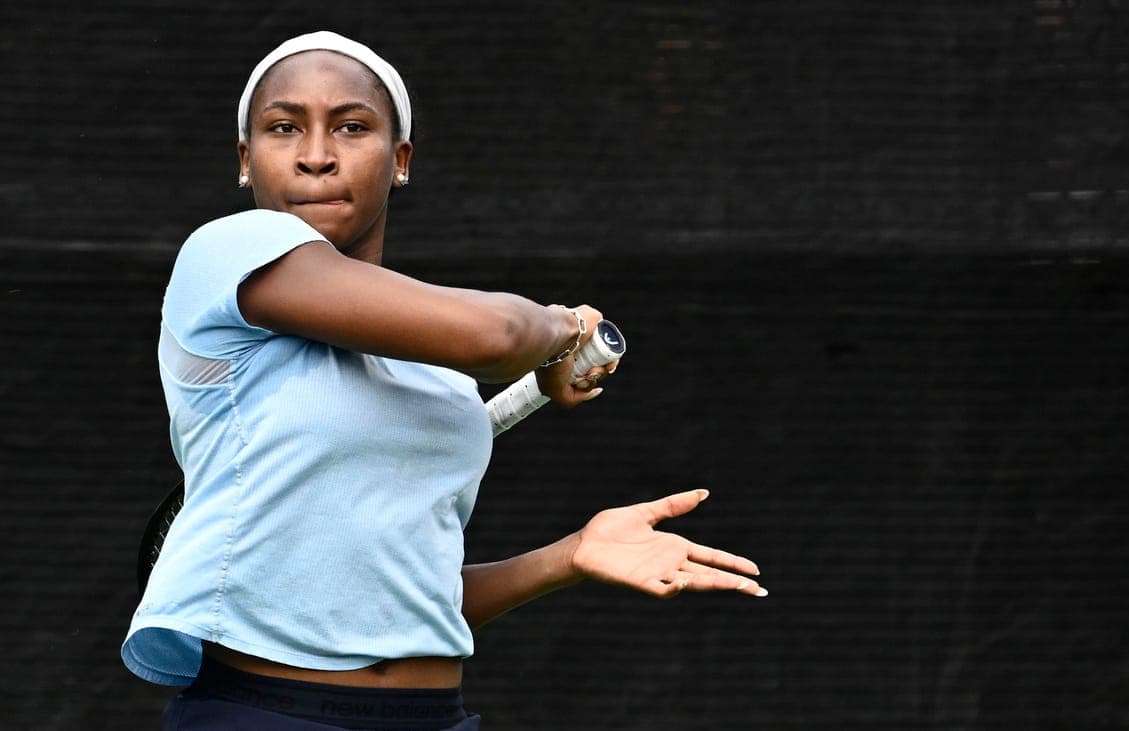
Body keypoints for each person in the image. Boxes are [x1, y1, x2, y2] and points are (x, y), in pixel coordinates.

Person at [122, 31, 767, 730]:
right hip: (266, 715)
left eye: (351, 126)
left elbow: (405, 597)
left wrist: (570, 555)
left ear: (400, 160)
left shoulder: (440, 372)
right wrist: (564, 329)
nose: (315, 155)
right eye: (284, 128)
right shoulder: (226, 252)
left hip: (436, 716)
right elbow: (497, 337)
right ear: (246, 161)